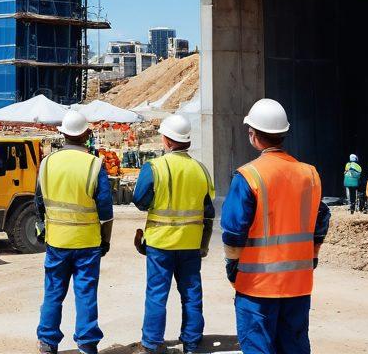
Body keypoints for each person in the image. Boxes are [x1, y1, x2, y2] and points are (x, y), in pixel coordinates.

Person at [221, 99, 330, 354]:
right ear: (283, 134)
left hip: (257, 286)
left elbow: (234, 231)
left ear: (253, 135)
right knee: (294, 346)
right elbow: (320, 222)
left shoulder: (249, 176)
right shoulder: (310, 174)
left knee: (259, 347)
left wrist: (232, 266)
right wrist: (311, 258)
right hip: (298, 285)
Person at [131, 113, 215, 354]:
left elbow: (140, 201)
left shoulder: (155, 167)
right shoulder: (200, 169)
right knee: (191, 293)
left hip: (160, 244)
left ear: (166, 140)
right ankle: (191, 341)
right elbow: (208, 208)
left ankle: (152, 342)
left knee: (157, 294)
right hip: (189, 243)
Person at [36, 108, 113, 354]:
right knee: (86, 292)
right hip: (87, 242)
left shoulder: (47, 163)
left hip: (57, 241)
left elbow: (38, 201)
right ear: (86, 134)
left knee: (53, 292)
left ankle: (48, 342)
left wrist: (43, 228)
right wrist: (106, 240)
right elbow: (106, 210)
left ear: (63, 134)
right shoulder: (94, 164)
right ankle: (87, 343)